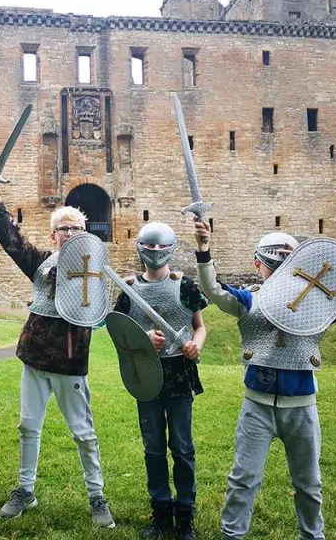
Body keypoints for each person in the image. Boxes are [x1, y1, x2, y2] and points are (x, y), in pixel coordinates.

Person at [193, 223, 336, 540]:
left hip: (301, 406)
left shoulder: (316, 303)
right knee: (243, 478)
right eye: (271, 262)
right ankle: (232, 535)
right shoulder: (250, 301)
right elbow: (213, 291)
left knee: (309, 482)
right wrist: (203, 249)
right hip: (257, 406)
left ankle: (312, 535)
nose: (276, 269)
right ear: (257, 265)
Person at [0, 181, 115, 528]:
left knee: (83, 432)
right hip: (35, 358)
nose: (69, 233)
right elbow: (13, 242)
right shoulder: (41, 263)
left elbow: (112, 309)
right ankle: (25, 489)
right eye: (63, 229)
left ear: (85, 234)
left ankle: (96, 495)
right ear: (53, 234)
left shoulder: (96, 271)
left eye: (76, 229)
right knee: (28, 426)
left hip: (71, 362)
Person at [113, 222, 208, 540]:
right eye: (149, 247)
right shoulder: (128, 288)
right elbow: (119, 334)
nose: (154, 253)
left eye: (159, 248)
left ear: (170, 249)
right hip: (146, 375)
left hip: (179, 373)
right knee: (153, 448)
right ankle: (160, 512)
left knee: (182, 447)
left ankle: (185, 515)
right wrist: (141, 340)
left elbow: (199, 326)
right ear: (140, 248)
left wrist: (197, 344)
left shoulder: (185, 286)